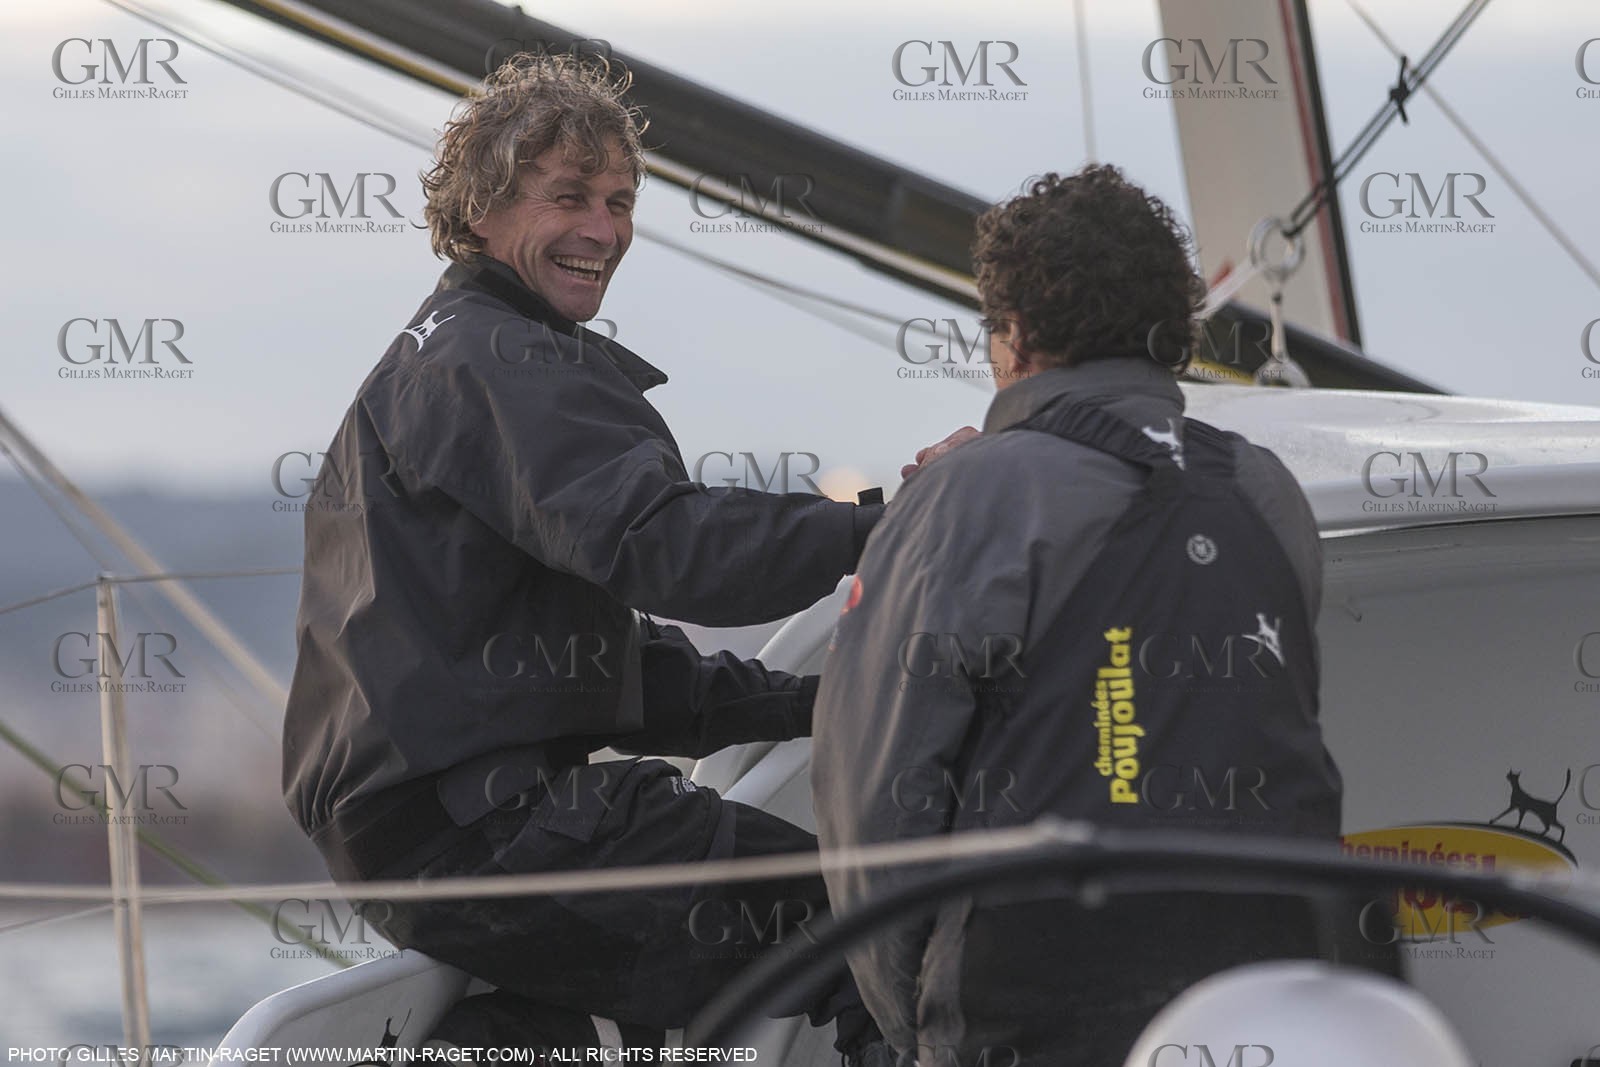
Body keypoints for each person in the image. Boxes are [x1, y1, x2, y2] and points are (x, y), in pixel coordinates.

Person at [282, 53, 951, 1064]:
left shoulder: (455, 353)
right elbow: (670, 548)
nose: (603, 228)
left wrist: (809, 703)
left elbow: (600, 664)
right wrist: (902, 526)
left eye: (620, 200)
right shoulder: (500, 363)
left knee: (807, 921)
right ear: (480, 211)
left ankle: (523, 1035)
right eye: (568, 197)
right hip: (487, 836)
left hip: (437, 833)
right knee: (882, 929)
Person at [811, 164, 1358, 1065]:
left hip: (1039, 1007)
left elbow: (873, 800)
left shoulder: (967, 497)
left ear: (1016, 331)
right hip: (1270, 995)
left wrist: (915, 1025)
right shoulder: (1269, 494)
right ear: (1170, 326)